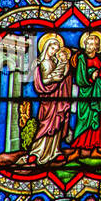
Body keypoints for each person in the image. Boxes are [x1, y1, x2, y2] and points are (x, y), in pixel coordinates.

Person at [69, 31, 101, 159]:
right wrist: (91, 77)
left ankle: (95, 149)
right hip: (86, 95)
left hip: (97, 97)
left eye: (92, 44)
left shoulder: (99, 60)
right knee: (82, 122)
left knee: (97, 122)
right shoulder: (81, 59)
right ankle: (76, 151)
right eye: (87, 43)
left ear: (97, 47)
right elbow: (79, 78)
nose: (89, 46)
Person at [26, 33, 72, 164]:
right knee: (45, 124)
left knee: (57, 123)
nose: (55, 52)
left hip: (57, 97)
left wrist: (64, 76)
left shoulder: (55, 62)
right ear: (46, 47)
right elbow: (41, 82)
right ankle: (36, 151)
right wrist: (53, 78)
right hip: (47, 98)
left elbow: (63, 74)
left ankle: (55, 151)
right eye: (53, 49)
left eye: (57, 50)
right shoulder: (40, 63)